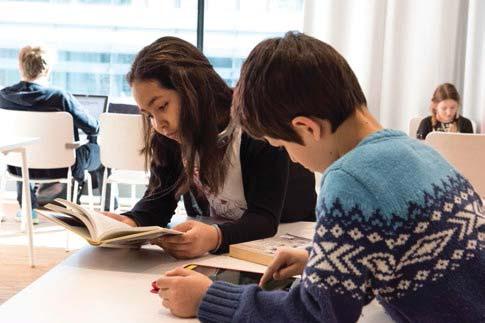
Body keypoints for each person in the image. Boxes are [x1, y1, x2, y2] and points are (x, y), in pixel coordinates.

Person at [155, 32, 485, 322]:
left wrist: (207, 299)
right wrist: (323, 258)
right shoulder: (417, 151)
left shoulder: (349, 179)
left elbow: (315, 313)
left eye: (282, 145)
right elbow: (404, 251)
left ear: (307, 128)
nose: (287, 155)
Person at [100, 36, 316, 258]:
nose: (158, 124)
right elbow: (160, 198)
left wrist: (214, 237)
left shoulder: (254, 125)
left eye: (162, 106)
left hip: (290, 242)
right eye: (149, 115)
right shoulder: (173, 135)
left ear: (191, 88)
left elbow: (264, 219)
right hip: (227, 246)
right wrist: (131, 222)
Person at [0, 45, 102, 223]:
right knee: (102, 151)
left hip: (19, 165)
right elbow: (93, 127)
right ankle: (109, 211)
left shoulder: (4, 96)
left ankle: (27, 209)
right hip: (63, 166)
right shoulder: (59, 98)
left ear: (20, 67)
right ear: (47, 69)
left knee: (23, 149)